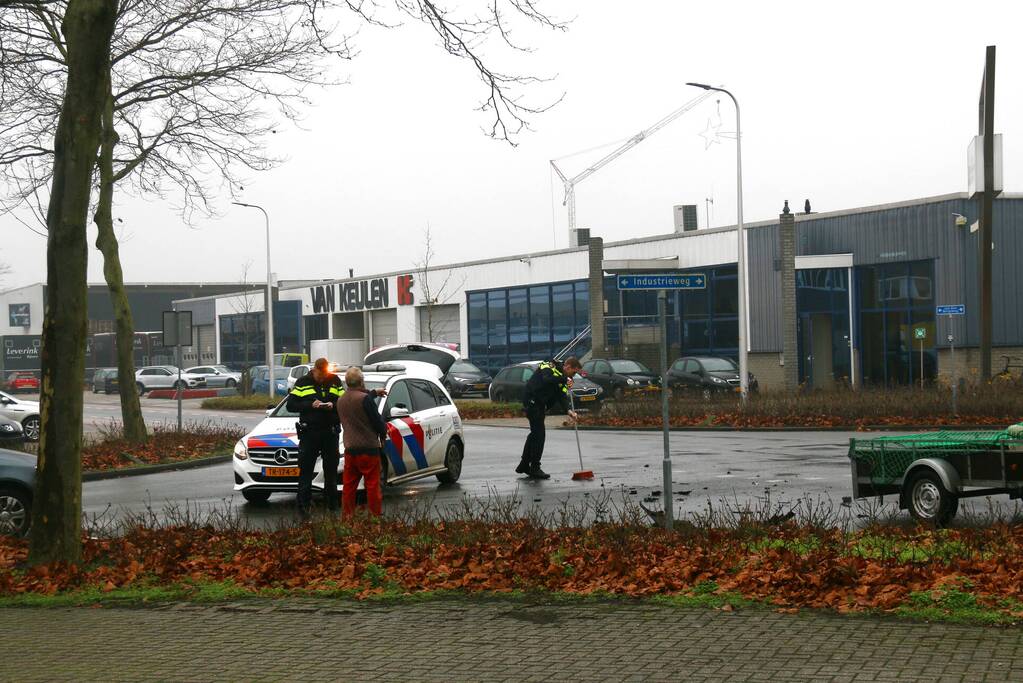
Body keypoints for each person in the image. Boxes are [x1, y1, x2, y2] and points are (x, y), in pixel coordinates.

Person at [286, 357, 344, 518]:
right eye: (320, 375)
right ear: (314, 370)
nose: (322, 378)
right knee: (306, 470)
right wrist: (310, 405)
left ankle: (332, 507)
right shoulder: (302, 382)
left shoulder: (334, 381)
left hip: (330, 432)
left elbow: (343, 400)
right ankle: (304, 507)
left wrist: (334, 405)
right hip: (310, 432)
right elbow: (291, 405)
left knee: (331, 471)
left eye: (325, 375)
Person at [516, 356, 581, 479]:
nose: (574, 375)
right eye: (573, 372)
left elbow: (561, 396)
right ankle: (534, 467)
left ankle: (524, 464)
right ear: (567, 367)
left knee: (535, 434)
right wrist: (564, 379)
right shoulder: (549, 365)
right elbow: (547, 379)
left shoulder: (565, 378)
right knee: (539, 435)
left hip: (540, 404)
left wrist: (569, 411)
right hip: (532, 400)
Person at [336, 366, 388, 517]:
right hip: (368, 449)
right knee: (372, 485)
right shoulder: (365, 399)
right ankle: (374, 516)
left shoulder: (341, 400)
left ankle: (347, 517)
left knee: (349, 486)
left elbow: (356, 399)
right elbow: (377, 421)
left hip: (350, 449)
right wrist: (383, 432)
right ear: (361, 381)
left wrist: (373, 393)